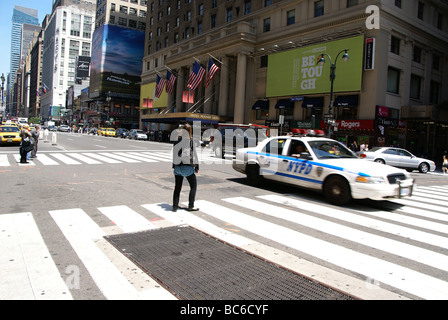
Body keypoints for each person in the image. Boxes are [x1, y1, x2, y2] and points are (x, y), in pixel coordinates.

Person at [172, 123, 199, 212]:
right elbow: (194, 155)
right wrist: (197, 167)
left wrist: (174, 166)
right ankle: (191, 205)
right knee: (193, 186)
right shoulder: (190, 141)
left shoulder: (176, 140)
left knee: (177, 187)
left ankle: (175, 206)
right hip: (187, 167)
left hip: (178, 167)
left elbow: (174, 154)